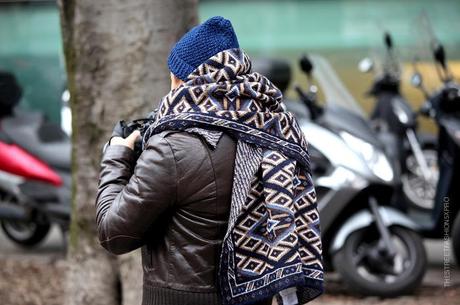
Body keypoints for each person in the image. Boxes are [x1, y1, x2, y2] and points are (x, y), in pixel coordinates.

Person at [96, 16, 324, 305]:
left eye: (173, 75)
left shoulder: (173, 149)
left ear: (183, 78)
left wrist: (117, 154)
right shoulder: (274, 126)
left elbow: (113, 234)